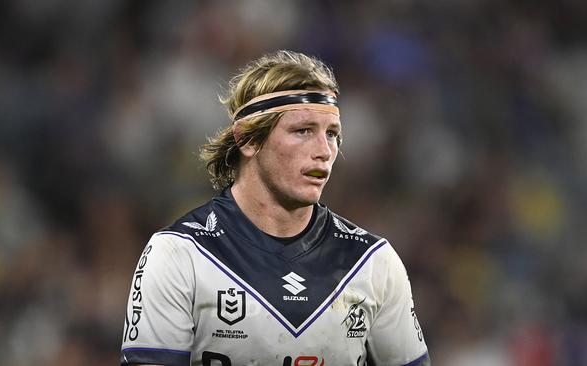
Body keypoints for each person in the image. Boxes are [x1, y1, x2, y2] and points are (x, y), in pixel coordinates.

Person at [120, 50, 430, 366]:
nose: (324, 151)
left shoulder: (372, 262)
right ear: (248, 140)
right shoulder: (180, 254)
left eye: (332, 134)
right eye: (303, 131)